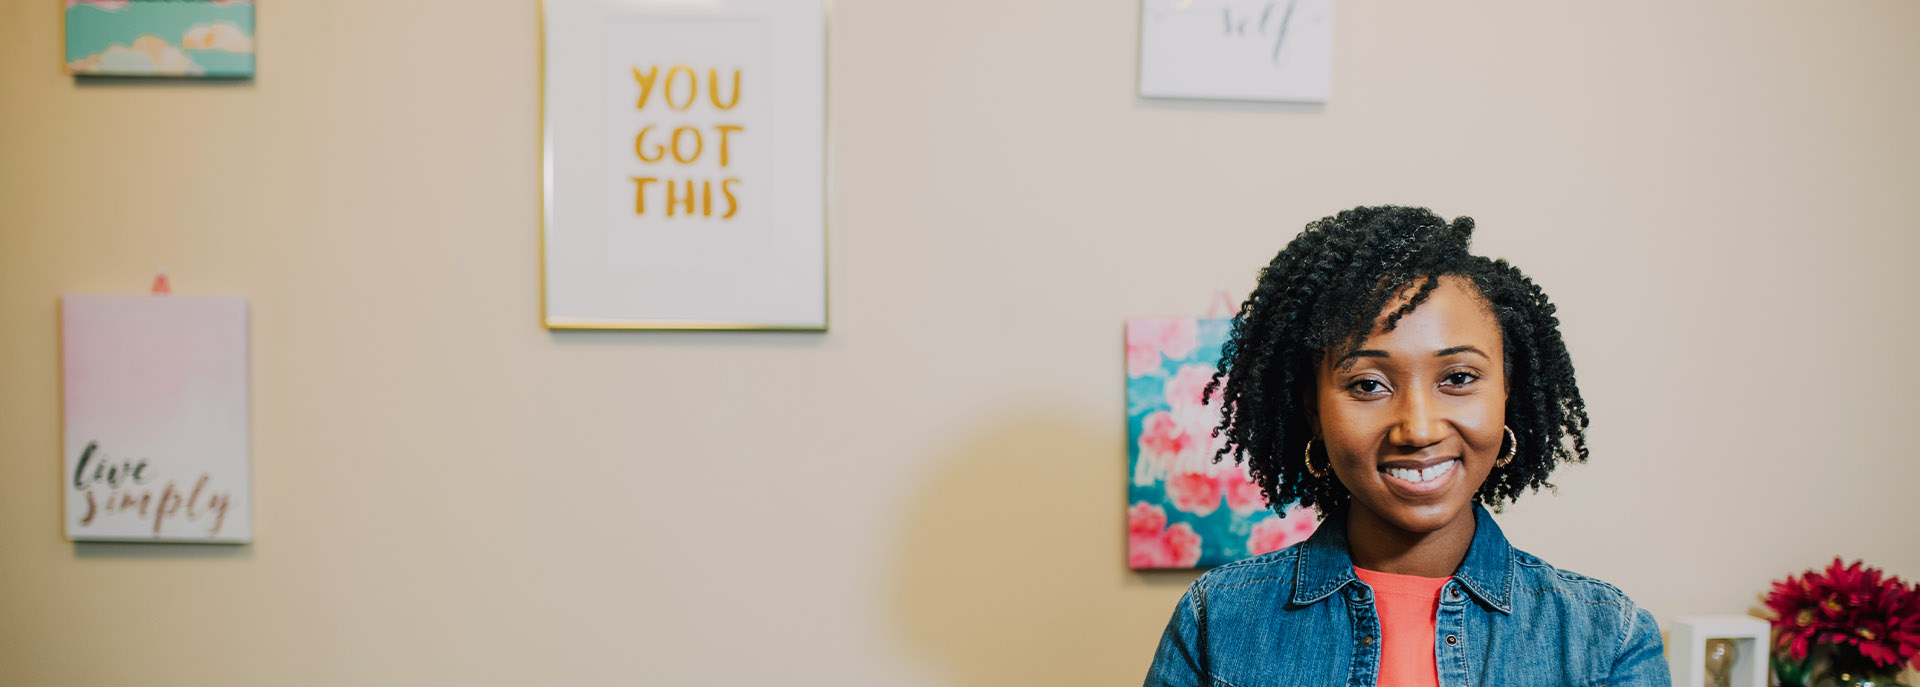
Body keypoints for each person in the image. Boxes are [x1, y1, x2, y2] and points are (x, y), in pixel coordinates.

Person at [1143, 206, 1670, 687]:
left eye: (1459, 377)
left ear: (1508, 390)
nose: (1417, 429)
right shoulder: (1219, 621)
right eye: (1369, 384)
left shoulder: (1608, 640)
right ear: (1314, 412)